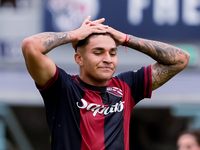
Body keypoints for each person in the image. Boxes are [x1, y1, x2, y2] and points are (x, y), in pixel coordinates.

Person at [22, 16, 190, 150]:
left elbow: (181, 59)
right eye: (98, 52)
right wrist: (74, 35)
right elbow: (31, 45)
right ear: (79, 58)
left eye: (112, 53)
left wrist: (126, 39)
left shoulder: (127, 86)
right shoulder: (63, 87)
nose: (107, 59)